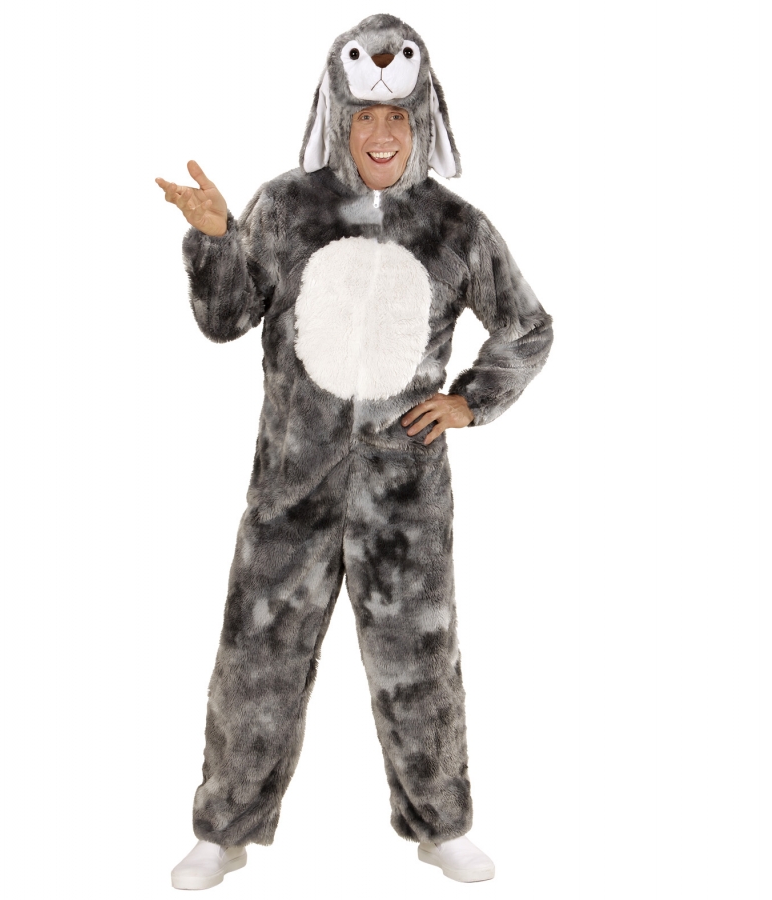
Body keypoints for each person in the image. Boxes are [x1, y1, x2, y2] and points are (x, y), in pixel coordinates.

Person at [155, 13, 553, 890]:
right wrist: (215, 237)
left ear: (422, 121)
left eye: (397, 118)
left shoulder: (455, 226)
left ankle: (439, 825)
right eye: (365, 115)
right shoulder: (285, 207)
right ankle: (223, 830)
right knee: (256, 659)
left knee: (419, 663)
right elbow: (225, 320)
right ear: (338, 114)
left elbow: (526, 327)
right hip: (290, 488)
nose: (380, 133)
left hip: (404, 497)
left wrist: (471, 400)